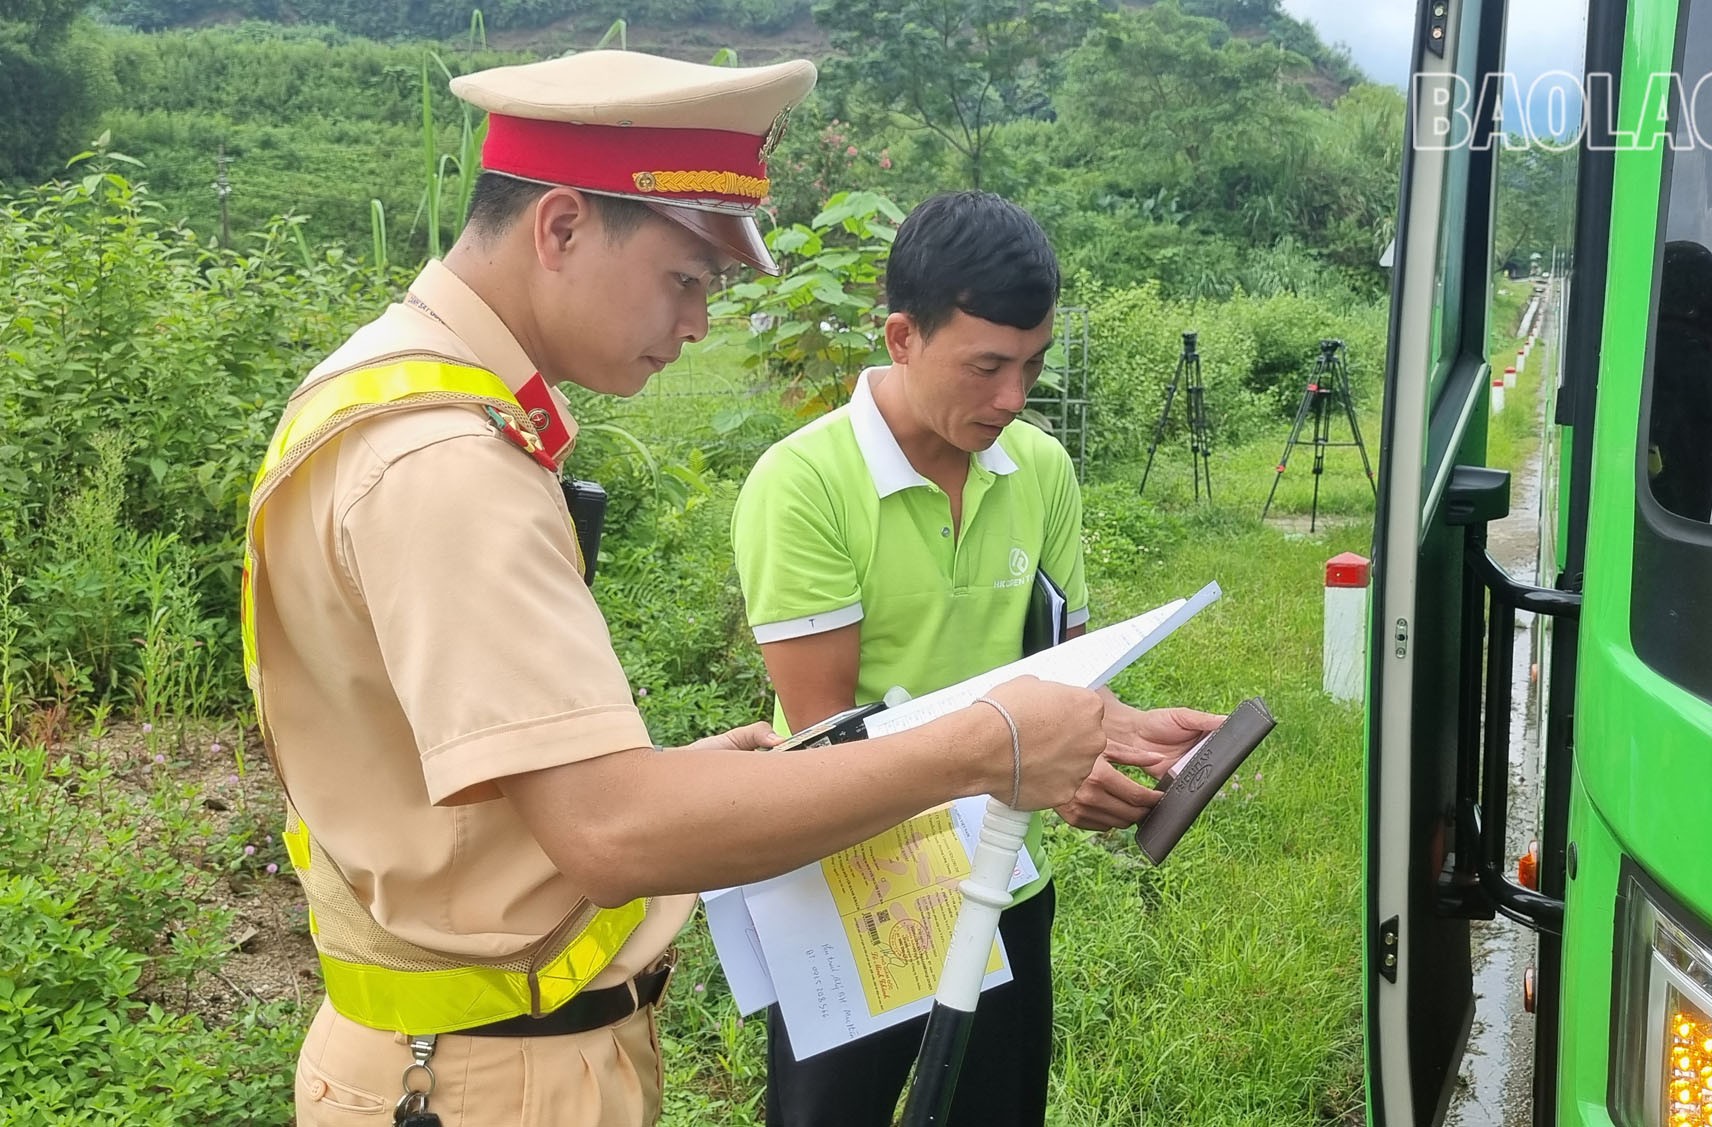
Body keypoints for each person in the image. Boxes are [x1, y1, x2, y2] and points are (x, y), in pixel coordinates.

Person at [241, 53, 1108, 1127]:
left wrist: (661, 772)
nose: (697, 323)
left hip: (480, 1049)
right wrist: (986, 742)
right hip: (485, 1076)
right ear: (558, 228)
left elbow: (475, 777)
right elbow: (609, 835)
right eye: (685, 279)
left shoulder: (396, 395)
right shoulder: (446, 462)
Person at [732, 190, 1226, 1127]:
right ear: (903, 336)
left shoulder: (1040, 470)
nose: (1012, 398)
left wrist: (1107, 734)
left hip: (1004, 880)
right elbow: (834, 748)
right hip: (854, 893)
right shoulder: (803, 485)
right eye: (987, 366)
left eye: (1033, 366)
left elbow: (1061, 668)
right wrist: (1027, 758)